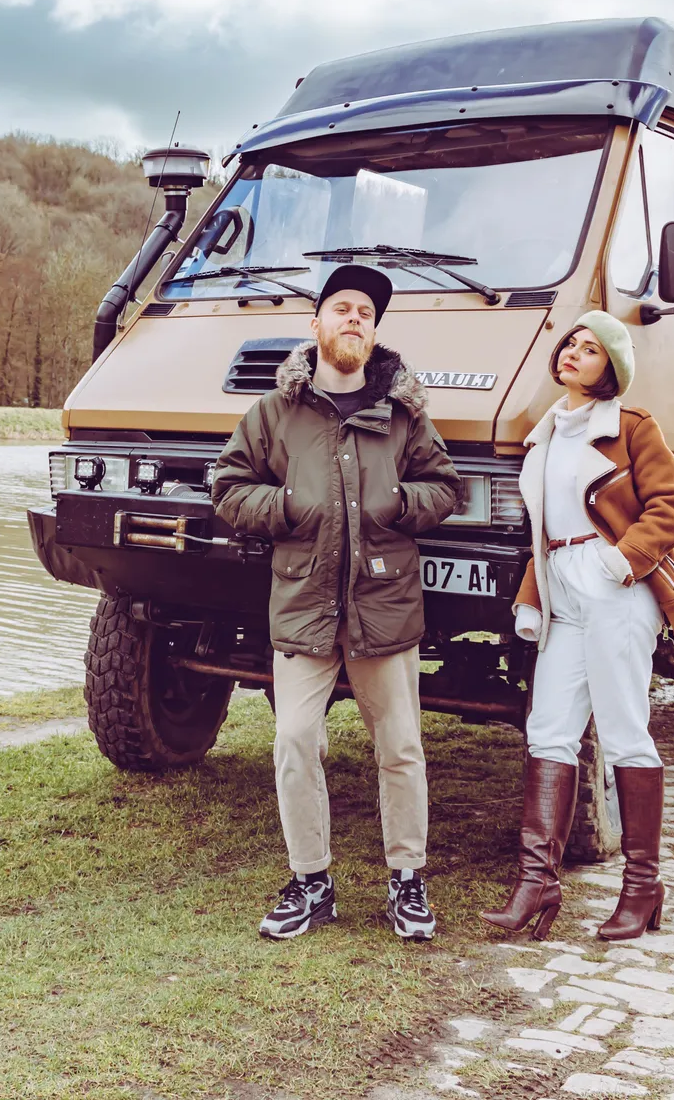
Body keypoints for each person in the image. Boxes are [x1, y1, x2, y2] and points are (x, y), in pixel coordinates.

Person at [212, 265, 462, 941]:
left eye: (366, 314)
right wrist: (287, 504)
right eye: (342, 308)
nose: (355, 319)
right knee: (294, 740)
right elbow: (228, 485)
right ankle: (311, 882)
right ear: (316, 325)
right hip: (303, 604)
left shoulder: (404, 415)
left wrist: (402, 502)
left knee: (402, 746)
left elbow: (446, 487)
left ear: (374, 333)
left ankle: (407, 882)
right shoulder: (273, 414)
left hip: (385, 606)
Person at [481, 310, 674, 942]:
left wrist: (622, 559)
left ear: (612, 369)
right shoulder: (547, 431)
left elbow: (673, 503)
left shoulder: (630, 426)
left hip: (615, 589)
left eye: (591, 349)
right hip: (562, 592)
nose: (573, 352)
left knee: (626, 731)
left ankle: (642, 888)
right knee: (547, 729)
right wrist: (531, 593)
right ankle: (537, 883)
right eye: (570, 343)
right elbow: (544, 528)